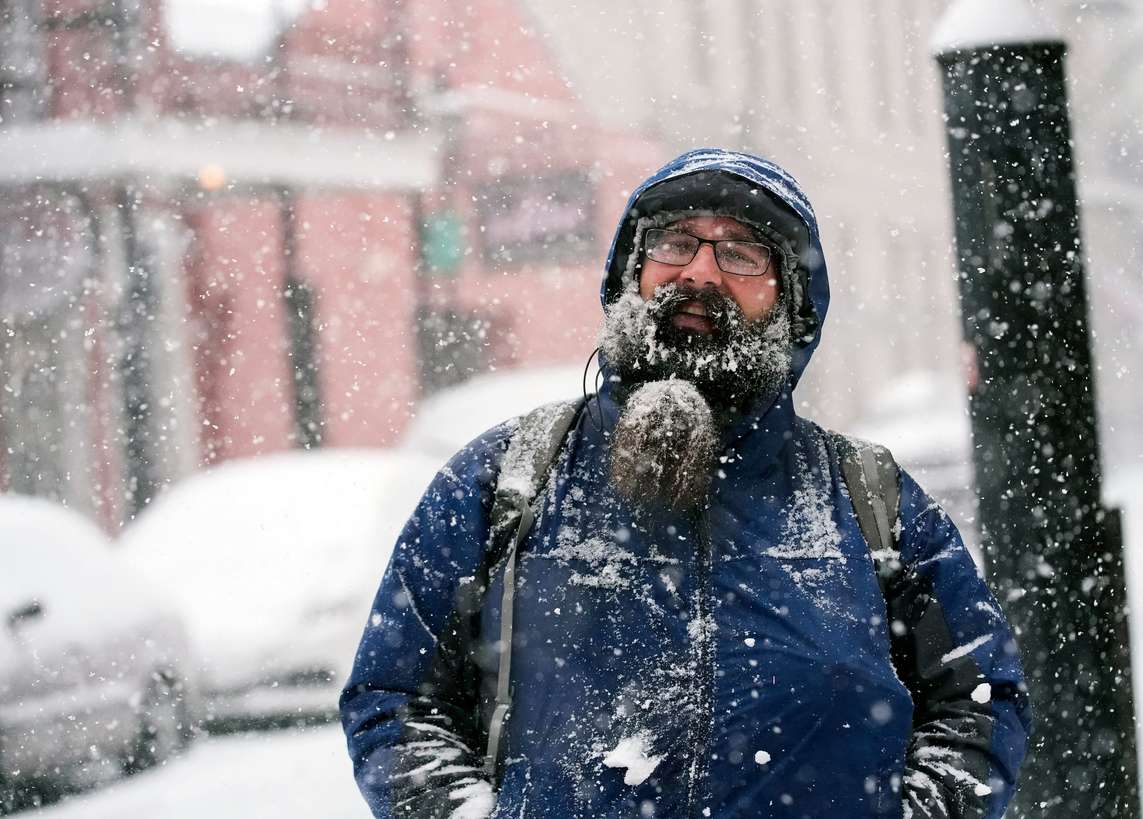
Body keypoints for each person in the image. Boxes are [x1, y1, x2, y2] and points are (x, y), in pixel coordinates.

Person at [340, 149, 1031, 819]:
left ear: (790, 303)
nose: (699, 272)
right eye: (674, 242)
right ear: (630, 274)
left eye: (741, 253)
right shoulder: (505, 480)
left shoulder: (869, 499)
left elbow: (980, 697)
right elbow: (394, 699)